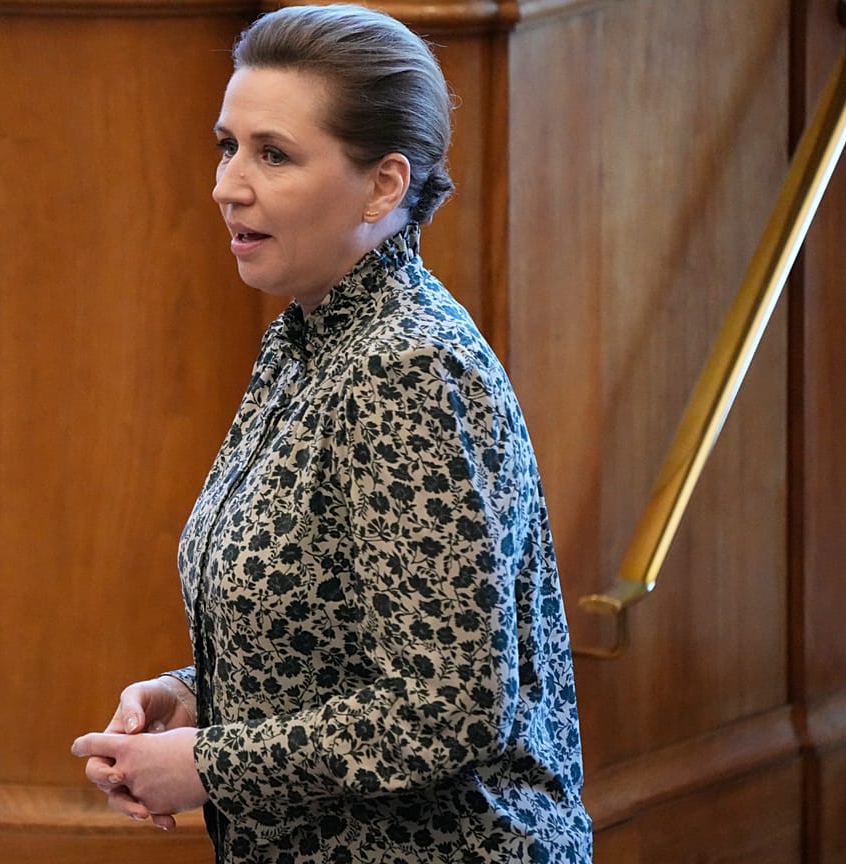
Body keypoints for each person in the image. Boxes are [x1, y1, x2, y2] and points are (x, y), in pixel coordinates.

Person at [71, 5, 592, 861]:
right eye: (228, 146)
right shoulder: (304, 337)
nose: (228, 185)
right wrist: (194, 695)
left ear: (384, 186)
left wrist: (208, 763)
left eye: (273, 154)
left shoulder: (408, 366)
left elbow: (449, 707)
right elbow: (337, 632)